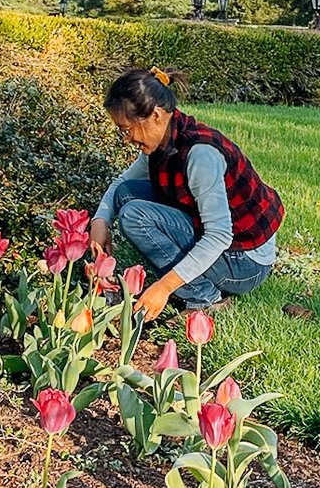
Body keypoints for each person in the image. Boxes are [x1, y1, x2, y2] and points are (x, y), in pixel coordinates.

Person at [90, 67, 283, 322]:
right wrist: (99, 220)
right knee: (126, 194)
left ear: (156, 115)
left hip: (245, 260)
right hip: (226, 242)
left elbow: (219, 235)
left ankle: (204, 299)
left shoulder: (200, 154)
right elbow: (122, 183)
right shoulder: (164, 138)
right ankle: (194, 284)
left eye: (126, 129)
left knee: (135, 215)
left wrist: (165, 287)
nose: (126, 138)